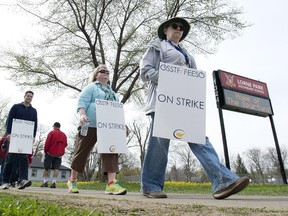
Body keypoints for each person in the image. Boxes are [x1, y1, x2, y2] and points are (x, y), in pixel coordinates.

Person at [139, 17, 250, 199]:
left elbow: (193, 77)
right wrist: (169, 77)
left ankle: (223, 181)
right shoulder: (157, 46)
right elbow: (145, 72)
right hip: (162, 101)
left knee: (199, 138)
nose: (179, 29)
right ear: (166, 29)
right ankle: (151, 186)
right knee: (160, 143)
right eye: (175, 26)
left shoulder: (186, 54)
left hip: (184, 103)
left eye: (181, 28)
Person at [67, 64, 127, 195]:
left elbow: (117, 109)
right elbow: (82, 101)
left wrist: (122, 124)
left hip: (108, 126)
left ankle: (111, 184)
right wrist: (82, 114)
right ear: (96, 75)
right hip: (91, 123)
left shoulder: (113, 93)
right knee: (82, 151)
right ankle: (72, 179)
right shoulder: (91, 88)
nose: (105, 73)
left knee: (111, 151)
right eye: (102, 71)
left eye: (107, 71)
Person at [2, 90, 37, 190]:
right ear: (24, 96)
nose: (29, 98)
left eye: (31, 96)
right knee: (10, 159)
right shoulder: (16, 107)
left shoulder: (33, 111)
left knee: (23, 158)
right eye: (28, 96)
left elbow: (34, 124)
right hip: (14, 136)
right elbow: (9, 120)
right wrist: (8, 133)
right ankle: (5, 181)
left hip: (25, 138)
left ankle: (22, 180)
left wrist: (33, 136)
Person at [41, 122, 67, 188]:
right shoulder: (63, 134)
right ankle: (54, 182)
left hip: (50, 153)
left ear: (54, 127)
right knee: (56, 168)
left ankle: (45, 182)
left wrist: (45, 151)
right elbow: (66, 144)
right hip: (59, 154)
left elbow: (47, 143)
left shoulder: (51, 133)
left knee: (46, 168)